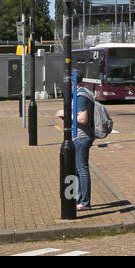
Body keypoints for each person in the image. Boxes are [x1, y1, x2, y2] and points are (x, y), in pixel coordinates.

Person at [55, 82, 95, 211]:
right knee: (77, 169)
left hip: (81, 137)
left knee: (82, 169)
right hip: (78, 136)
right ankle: (79, 199)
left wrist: (65, 114)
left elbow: (83, 119)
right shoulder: (80, 93)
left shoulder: (81, 96)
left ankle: (85, 202)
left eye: (68, 82)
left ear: (74, 81)